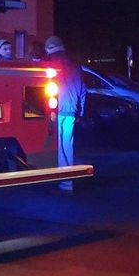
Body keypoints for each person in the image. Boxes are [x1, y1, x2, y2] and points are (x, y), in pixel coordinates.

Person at [44, 35, 86, 192]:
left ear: (49, 49)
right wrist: (80, 111)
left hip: (57, 110)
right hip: (71, 110)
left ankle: (63, 182)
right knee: (66, 145)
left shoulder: (49, 64)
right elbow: (83, 90)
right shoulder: (75, 65)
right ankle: (65, 182)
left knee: (58, 147)